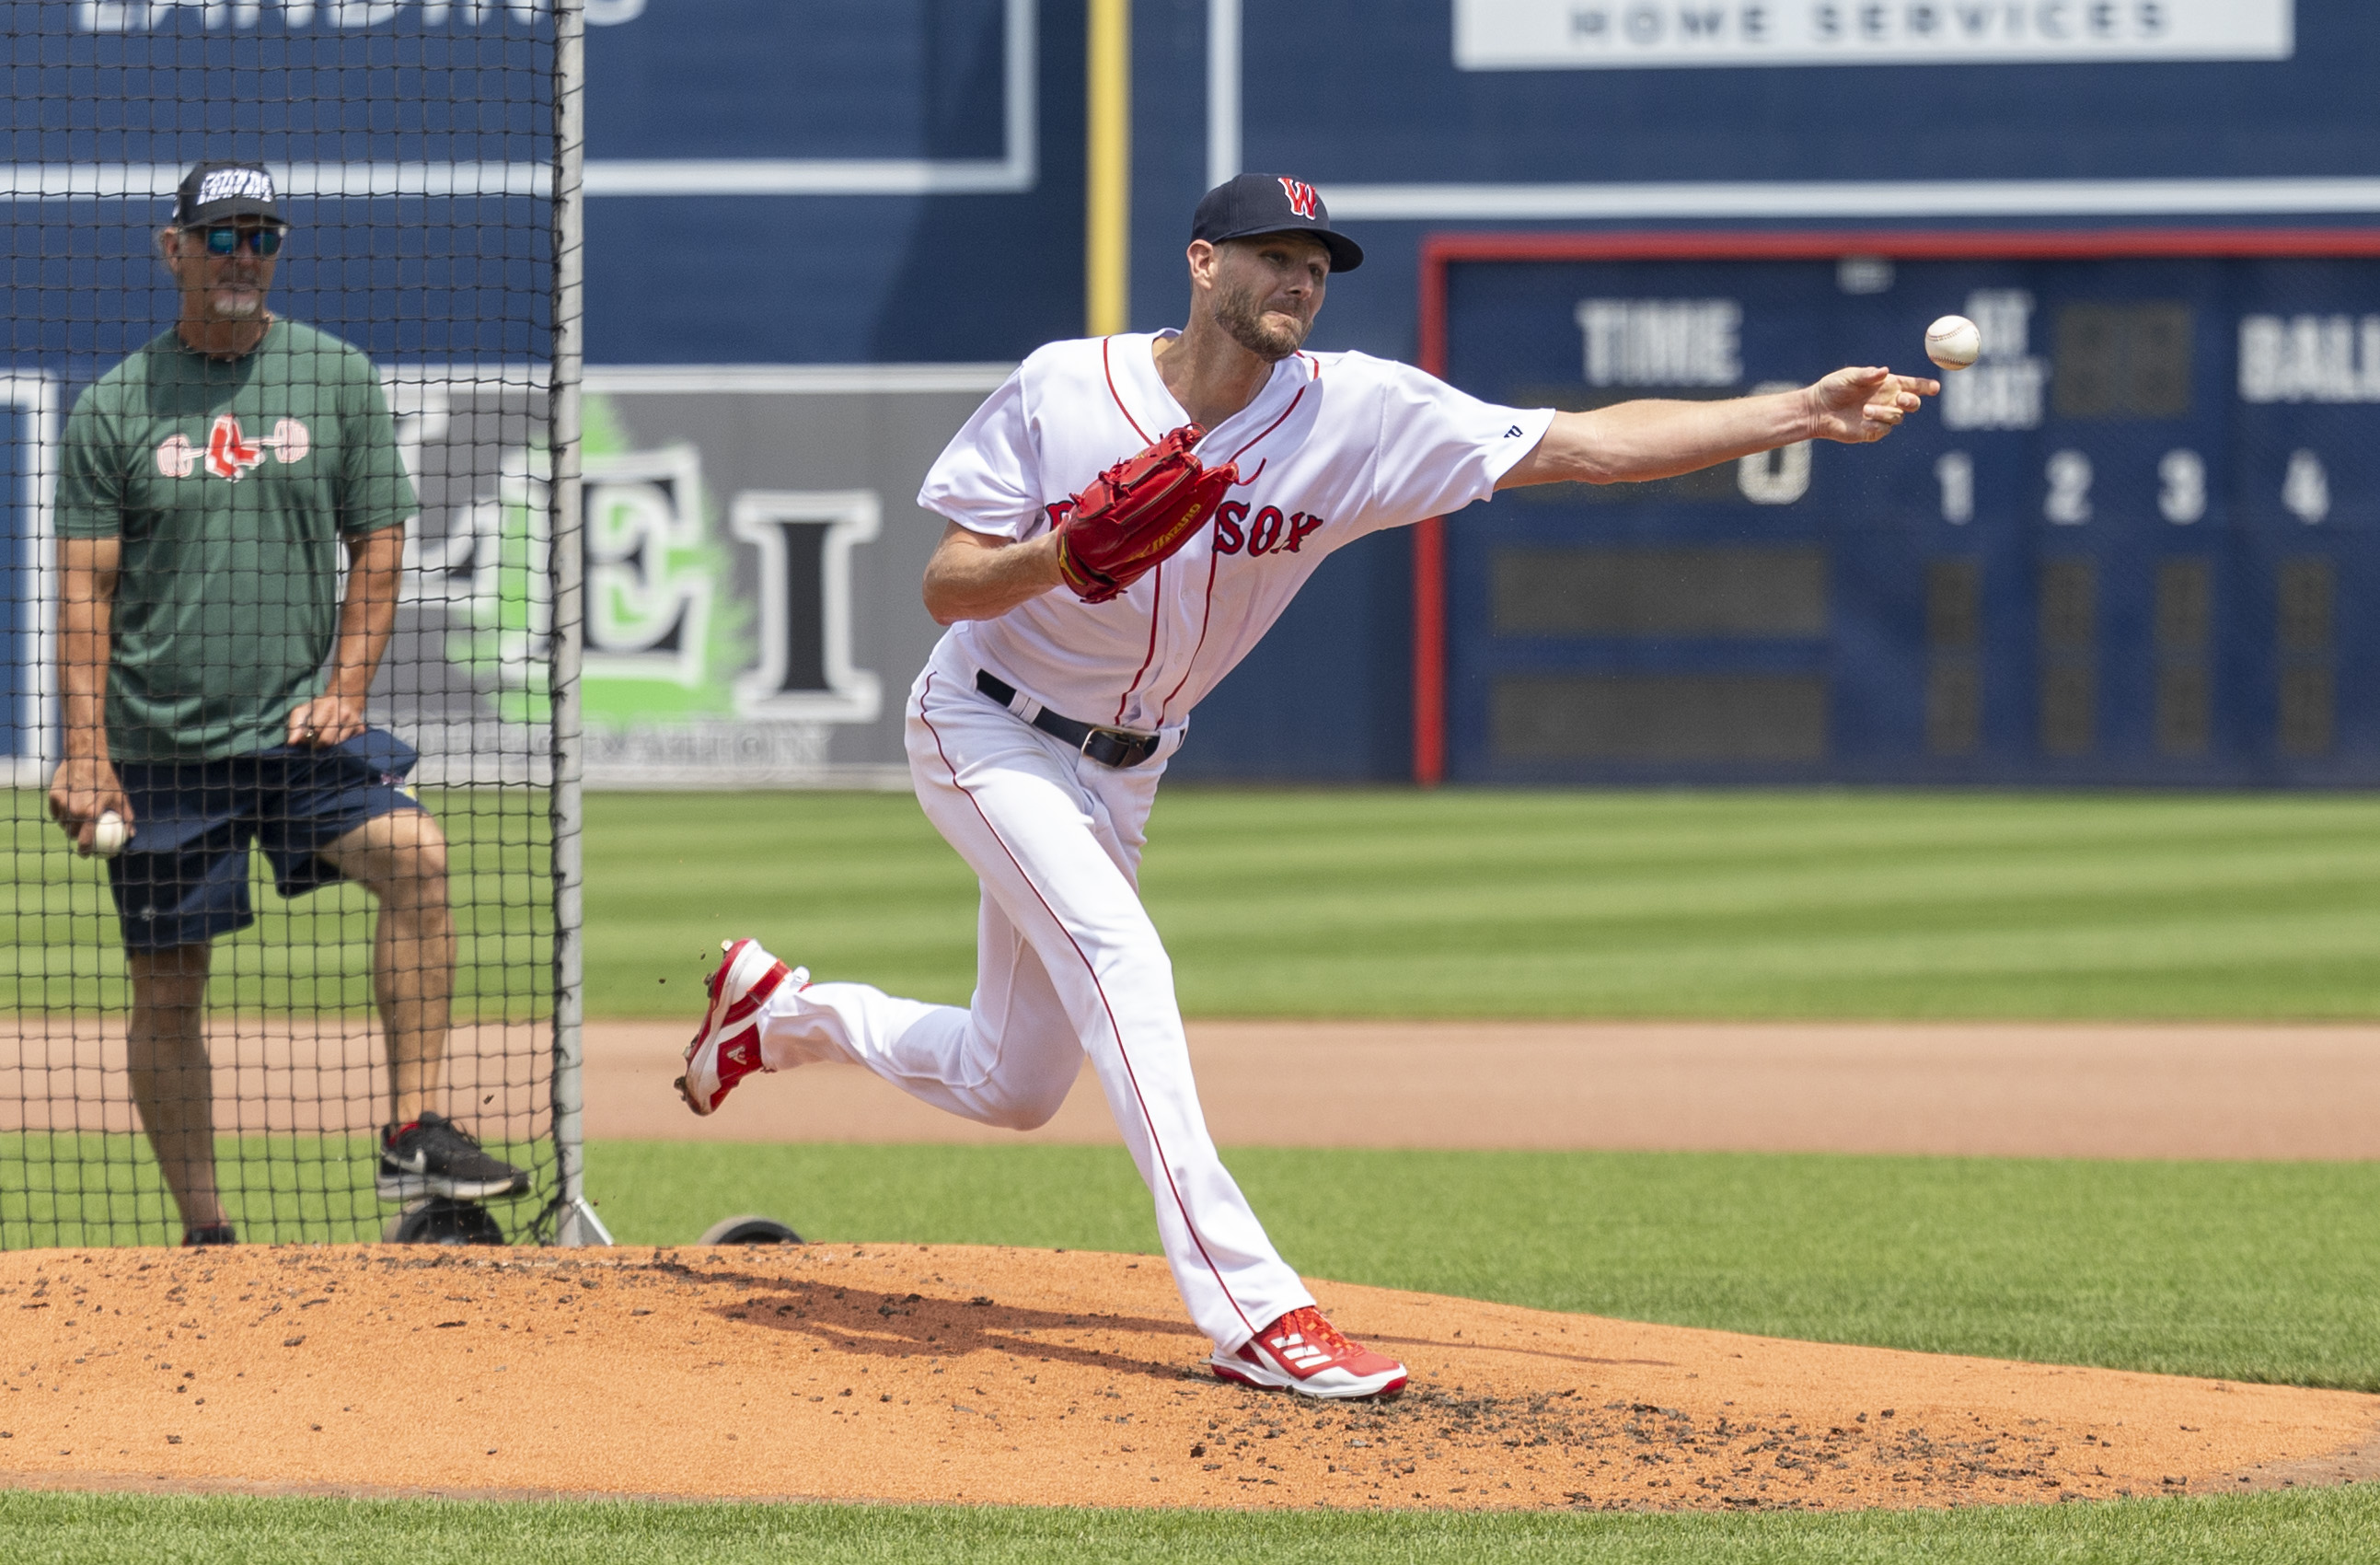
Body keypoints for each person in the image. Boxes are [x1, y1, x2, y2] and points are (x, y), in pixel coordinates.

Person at [677, 173, 1938, 1397]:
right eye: (1274, 256)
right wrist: (1065, 554)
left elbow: (1589, 445)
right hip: (985, 727)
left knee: (1014, 1085)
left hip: (1124, 771)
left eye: (1317, 264)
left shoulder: (1353, 417)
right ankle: (1253, 1312)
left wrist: (1794, 413)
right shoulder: (1068, 386)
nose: (1299, 280)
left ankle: (774, 1014)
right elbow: (946, 585)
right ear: (1201, 261)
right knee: (1126, 963)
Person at [47, 159, 527, 1246]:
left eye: (262, 234)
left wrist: (347, 687)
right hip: (160, 747)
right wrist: (85, 751)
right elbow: (84, 592)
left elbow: (381, 545)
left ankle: (413, 1127)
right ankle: (208, 1234)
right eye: (220, 237)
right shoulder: (118, 404)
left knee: (418, 855)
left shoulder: (336, 377)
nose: (244, 256)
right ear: (172, 249)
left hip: (295, 736)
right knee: (169, 988)